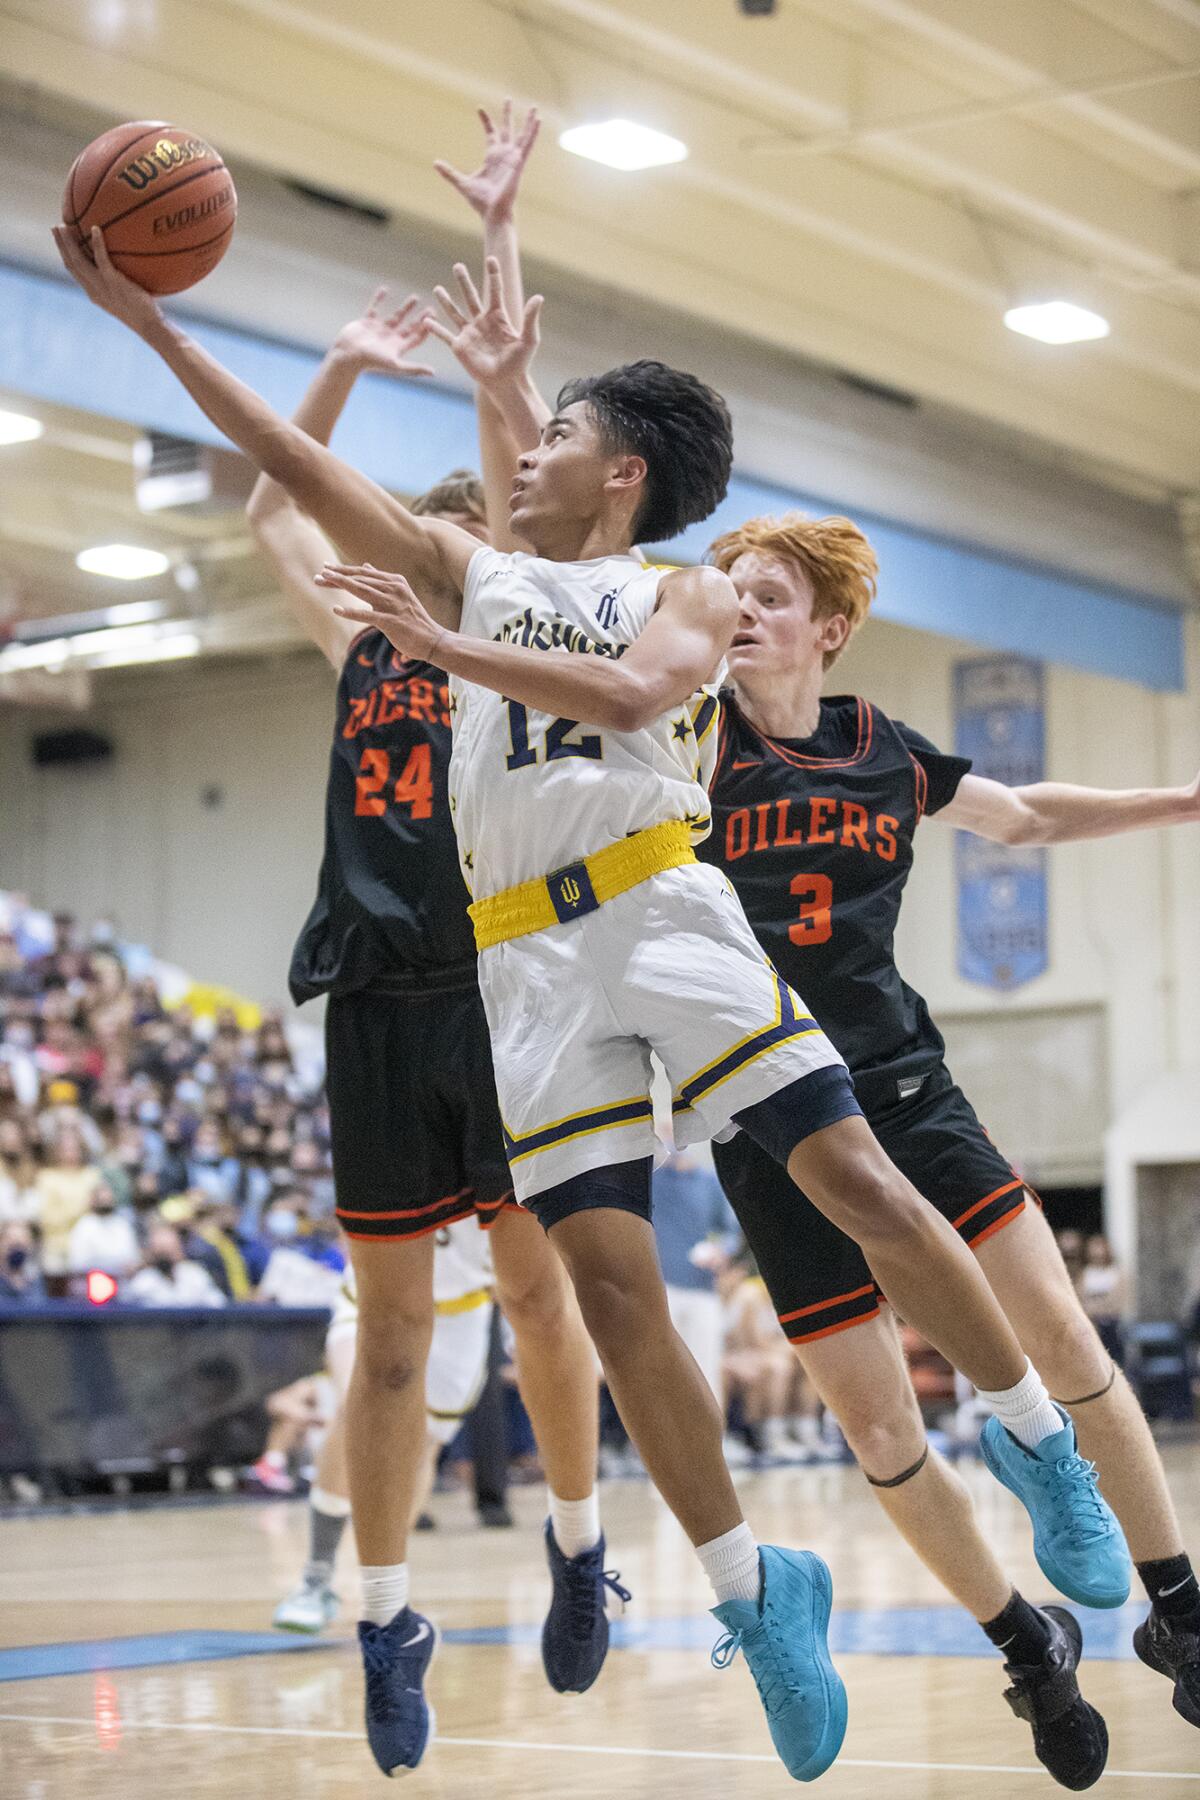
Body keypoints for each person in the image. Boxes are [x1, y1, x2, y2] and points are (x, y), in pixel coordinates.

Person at [56, 175, 1123, 1795]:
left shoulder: (681, 591)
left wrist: (446, 643)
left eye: (549, 434)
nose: (521, 450)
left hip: (665, 909)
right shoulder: (463, 569)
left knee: (856, 1182)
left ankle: (1036, 1443)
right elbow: (289, 466)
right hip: (521, 968)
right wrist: (144, 320)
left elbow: (628, 689)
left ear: (616, 476)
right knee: (619, 1301)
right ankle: (756, 1594)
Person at [238, 108, 619, 1777]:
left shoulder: (520, 632)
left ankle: (579, 1541)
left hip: (511, 989)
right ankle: (381, 1608)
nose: (404, 556)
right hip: (379, 994)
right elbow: (273, 509)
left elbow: (535, 485)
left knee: (539, 1299)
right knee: (392, 1340)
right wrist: (329, 368)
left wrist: (510, 266)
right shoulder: (363, 634)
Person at [695, 508, 1200, 1745]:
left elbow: (1024, 816)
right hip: (761, 1113)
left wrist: (1182, 801)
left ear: (832, 626)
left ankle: (1180, 1606)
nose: (741, 611)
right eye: (728, 594)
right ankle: (1027, 1644)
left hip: (902, 1085)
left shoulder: (881, 746)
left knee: (1061, 1335)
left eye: (767, 594)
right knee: (876, 1422)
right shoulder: (685, 745)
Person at [273, 1216, 503, 1631]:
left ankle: (386, 1585)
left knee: (421, 1447)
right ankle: (316, 1578)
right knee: (354, 1409)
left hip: (461, 1314)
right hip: (377, 1288)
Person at [651, 1145, 739, 1403]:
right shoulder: (652, 1180)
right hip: (662, 1288)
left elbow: (730, 1232)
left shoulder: (708, 1182)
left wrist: (721, 1250)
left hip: (702, 1289)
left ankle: (713, 1441)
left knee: (706, 1367)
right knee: (660, 1367)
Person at [125, 1220, 226, 1307]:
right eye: (161, 1252)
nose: (166, 1258)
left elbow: (217, 1303)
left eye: (170, 1251)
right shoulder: (142, 1281)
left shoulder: (195, 1273)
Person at [66, 1179, 140, 1281]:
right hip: (92, 1281)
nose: (105, 1201)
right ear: (93, 1200)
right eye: (101, 1199)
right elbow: (77, 1263)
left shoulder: (122, 1225)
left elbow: (132, 1257)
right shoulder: (84, 1226)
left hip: (122, 1280)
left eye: (108, 1198)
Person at [1079, 1235, 1127, 1367]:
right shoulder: (1085, 1274)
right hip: (1090, 1324)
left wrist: (1096, 1307)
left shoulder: (1115, 1274)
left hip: (1111, 1325)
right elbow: (1080, 1298)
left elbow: (1116, 1301)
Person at [0, 1220, 46, 1305]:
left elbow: (38, 1309)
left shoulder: (35, 1278)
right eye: (10, 1240)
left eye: (22, 1240)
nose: (16, 1246)